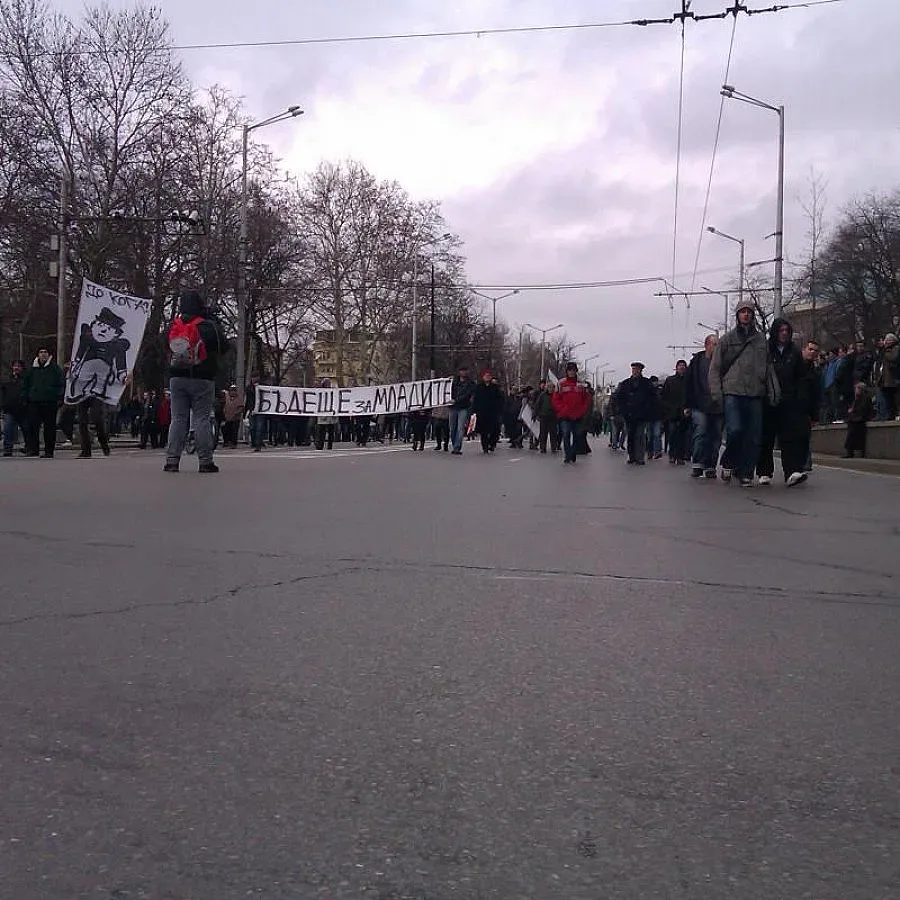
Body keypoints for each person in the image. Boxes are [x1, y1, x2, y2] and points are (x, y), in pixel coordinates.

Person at [709, 302, 779, 487]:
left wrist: (773, 391)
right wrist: (717, 393)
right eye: (743, 312)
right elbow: (715, 368)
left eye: (749, 312)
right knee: (735, 430)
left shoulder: (761, 340)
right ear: (738, 315)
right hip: (733, 391)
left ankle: (745, 472)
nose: (746, 315)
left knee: (754, 436)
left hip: (756, 392)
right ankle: (729, 462)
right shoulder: (727, 339)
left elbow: (768, 368)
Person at [164, 289, 230, 474]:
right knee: (201, 418)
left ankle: (172, 460)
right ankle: (205, 461)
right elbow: (223, 347)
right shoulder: (207, 326)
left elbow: (167, 349)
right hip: (202, 378)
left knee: (177, 418)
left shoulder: (174, 325)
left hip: (177, 377)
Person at [756, 318, 811, 487]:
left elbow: (801, 376)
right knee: (766, 437)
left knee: (789, 437)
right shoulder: (766, 350)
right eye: (781, 330)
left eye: (787, 330)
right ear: (775, 332)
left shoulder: (794, 352)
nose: (784, 333)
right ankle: (764, 472)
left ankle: (791, 471)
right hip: (769, 399)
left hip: (789, 399)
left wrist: (799, 397)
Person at [684, 335, 722, 479]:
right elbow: (688, 384)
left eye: (718, 345)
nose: (716, 348)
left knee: (716, 436)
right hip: (699, 405)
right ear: (706, 345)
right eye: (714, 344)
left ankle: (711, 465)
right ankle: (698, 464)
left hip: (718, 405)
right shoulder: (697, 362)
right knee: (701, 432)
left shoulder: (722, 363)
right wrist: (687, 405)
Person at [23, 348, 65, 458]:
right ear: (37, 355)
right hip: (34, 402)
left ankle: (49, 451)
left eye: (45, 352)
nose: (43, 354)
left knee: (49, 428)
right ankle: (33, 450)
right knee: (33, 427)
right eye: (41, 352)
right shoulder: (32, 370)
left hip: (50, 401)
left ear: (49, 354)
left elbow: (61, 383)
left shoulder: (55, 369)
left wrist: (60, 398)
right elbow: (25, 385)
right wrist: (26, 398)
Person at [616, 362, 656, 465]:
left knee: (640, 435)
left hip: (642, 414)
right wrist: (623, 410)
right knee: (631, 436)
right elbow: (619, 398)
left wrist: (648, 410)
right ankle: (631, 455)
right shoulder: (625, 384)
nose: (635, 371)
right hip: (629, 414)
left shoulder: (646, 383)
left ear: (641, 370)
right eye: (633, 369)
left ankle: (640, 457)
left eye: (637, 369)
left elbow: (653, 398)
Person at [552, 362, 591, 464]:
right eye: (570, 370)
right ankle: (567, 455)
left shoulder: (581, 384)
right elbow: (555, 399)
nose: (571, 372)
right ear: (567, 372)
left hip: (577, 415)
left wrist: (582, 411)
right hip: (565, 415)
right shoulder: (561, 383)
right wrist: (562, 409)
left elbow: (586, 400)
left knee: (577, 435)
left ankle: (573, 452)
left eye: (573, 370)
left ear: (576, 371)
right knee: (566, 434)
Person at [661, 359, 689, 465]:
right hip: (672, 412)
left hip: (685, 412)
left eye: (683, 366)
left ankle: (680, 456)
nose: (681, 367)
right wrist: (666, 409)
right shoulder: (670, 380)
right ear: (676, 368)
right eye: (680, 366)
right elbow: (664, 396)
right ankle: (672, 455)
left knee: (683, 436)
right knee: (672, 434)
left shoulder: (688, 380)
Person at [471, 368, 504, 453]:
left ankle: (492, 444)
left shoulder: (495, 388)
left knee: (495, 430)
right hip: (482, 412)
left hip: (493, 412)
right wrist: (474, 411)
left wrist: (499, 409)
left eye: (489, 376)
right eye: (486, 376)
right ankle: (485, 447)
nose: (487, 377)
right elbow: (476, 400)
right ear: (483, 377)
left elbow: (500, 399)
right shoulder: (479, 387)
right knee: (484, 431)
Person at [1, 360, 28, 456]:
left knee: (27, 429)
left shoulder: (26, 379)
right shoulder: (7, 380)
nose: (16, 368)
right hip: (9, 409)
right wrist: (3, 405)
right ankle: (8, 449)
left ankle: (28, 447)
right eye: (15, 366)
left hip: (23, 410)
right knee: (8, 430)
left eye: (19, 366)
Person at [448, 364, 475, 455]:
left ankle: (457, 447)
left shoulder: (470, 383)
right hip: (452, 407)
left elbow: (467, 395)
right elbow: (447, 390)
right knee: (452, 428)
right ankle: (454, 443)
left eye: (465, 370)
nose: (463, 372)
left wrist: (456, 400)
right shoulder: (453, 381)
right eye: (462, 370)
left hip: (463, 407)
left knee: (460, 428)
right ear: (459, 372)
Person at [844, 383, 874, 458]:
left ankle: (851, 452)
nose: (855, 391)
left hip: (861, 418)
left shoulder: (866, 397)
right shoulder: (856, 398)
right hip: (856, 418)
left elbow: (864, 409)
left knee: (853, 432)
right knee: (850, 429)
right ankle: (849, 451)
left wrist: (853, 410)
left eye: (857, 389)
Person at [874, 333, 899, 420]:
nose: (885, 342)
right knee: (887, 397)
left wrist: (887, 351)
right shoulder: (884, 350)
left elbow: (892, 357)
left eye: (887, 340)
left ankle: (893, 414)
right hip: (885, 378)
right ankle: (889, 414)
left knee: (892, 397)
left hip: (893, 378)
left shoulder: (895, 348)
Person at [533, 380, 559, 454]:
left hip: (553, 416)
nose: (550, 389)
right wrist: (535, 414)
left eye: (552, 387)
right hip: (544, 416)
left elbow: (558, 405)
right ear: (547, 388)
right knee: (543, 433)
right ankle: (542, 447)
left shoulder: (556, 395)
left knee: (553, 433)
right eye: (549, 387)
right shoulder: (543, 395)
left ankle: (554, 447)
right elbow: (538, 405)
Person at [245, 373, 267, 452]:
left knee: (259, 428)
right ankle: (254, 442)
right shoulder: (249, 388)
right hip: (252, 410)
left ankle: (258, 444)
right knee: (252, 427)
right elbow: (248, 400)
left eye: (255, 377)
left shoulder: (263, 387)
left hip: (261, 410)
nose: (254, 379)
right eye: (253, 377)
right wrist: (246, 412)